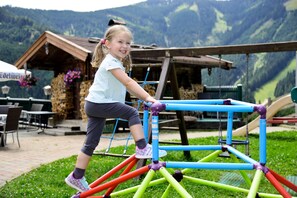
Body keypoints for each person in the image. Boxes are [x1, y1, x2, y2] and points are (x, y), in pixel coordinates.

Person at [65, 24, 167, 192]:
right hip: (99, 103)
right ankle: (142, 147)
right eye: (120, 41)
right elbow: (128, 82)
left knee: (91, 143)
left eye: (128, 43)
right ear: (108, 44)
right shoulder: (111, 62)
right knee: (132, 112)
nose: (125, 46)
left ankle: (76, 176)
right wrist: (148, 98)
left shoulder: (114, 62)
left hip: (94, 104)